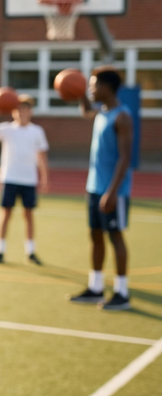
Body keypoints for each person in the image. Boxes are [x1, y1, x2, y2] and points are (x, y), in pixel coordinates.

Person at [69, 68, 134, 311]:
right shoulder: (101, 113)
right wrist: (77, 91)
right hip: (94, 187)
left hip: (113, 190)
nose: (90, 89)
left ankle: (122, 292)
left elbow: (125, 158)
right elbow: (86, 110)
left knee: (115, 236)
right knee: (95, 234)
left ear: (106, 87)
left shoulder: (122, 117)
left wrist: (112, 192)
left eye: (93, 86)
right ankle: (95, 288)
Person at [0, 93, 49, 265]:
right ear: (13, 112)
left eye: (25, 109)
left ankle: (31, 251)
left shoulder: (36, 131)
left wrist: (44, 177)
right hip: (10, 177)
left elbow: (41, 156)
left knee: (28, 214)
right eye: (19, 109)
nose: (22, 112)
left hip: (29, 179)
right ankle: (0, 251)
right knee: (6, 213)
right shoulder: (7, 129)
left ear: (30, 112)